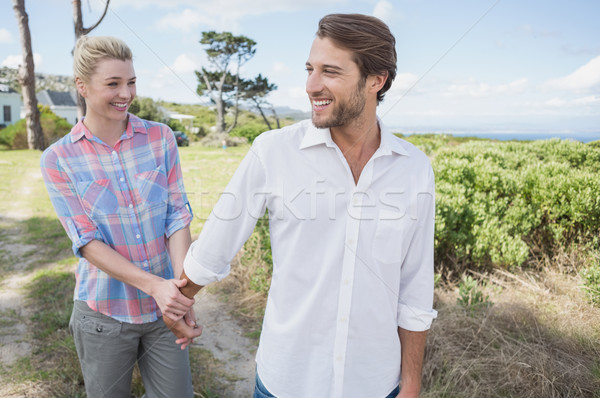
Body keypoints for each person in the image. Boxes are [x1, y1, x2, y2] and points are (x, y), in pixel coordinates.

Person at [168, 13, 437, 398]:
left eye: (330, 71)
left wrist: (410, 385)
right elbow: (214, 246)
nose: (312, 85)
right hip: (286, 382)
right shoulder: (272, 152)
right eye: (309, 69)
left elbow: (414, 289)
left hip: (377, 384)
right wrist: (180, 301)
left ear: (376, 80)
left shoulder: (414, 170)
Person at [40, 35, 201, 398]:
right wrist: (155, 287)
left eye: (130, 82)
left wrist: (178, 293)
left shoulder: (160, 138)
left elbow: (177, 216)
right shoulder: (58, 159)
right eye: (112, 84)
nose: (125, 93)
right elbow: (86, 241)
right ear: (82, 86)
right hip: (104, 315)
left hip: (164, 311)